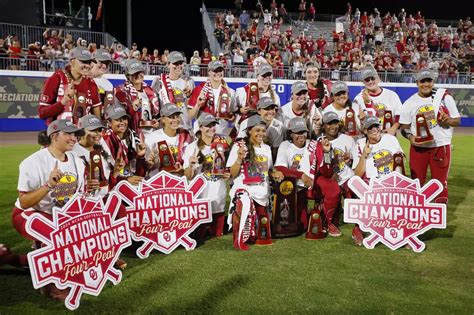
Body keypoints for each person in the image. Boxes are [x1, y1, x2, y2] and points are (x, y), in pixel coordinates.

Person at [12, 119, 86, 300]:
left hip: (57, 215)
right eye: (68, 134)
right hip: (28, 213)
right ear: (54, 136)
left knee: (80, 237)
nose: (73, 138)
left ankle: (7, 257)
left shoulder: (78, 162)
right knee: (55, 236)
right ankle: (51, 285)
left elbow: (78, 198)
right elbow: (24, 202)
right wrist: (48, 186)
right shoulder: (33, 162)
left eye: (74, 134)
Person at [399, 69, 460, 204]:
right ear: (417, 83)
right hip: (419, 147)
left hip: (440, 146)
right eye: (422, 81)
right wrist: (410, 137)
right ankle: (417, 214)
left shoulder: (444, 97)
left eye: (429, 81)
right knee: (416, 182)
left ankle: (439, 217)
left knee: (439, 182)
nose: (426, 84)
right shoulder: (409, 102)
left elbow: (456, 120)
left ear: (433, 82)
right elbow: (403, 127)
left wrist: (447, 119)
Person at [227, 115, 284, 250]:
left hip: (262, 192)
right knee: (244, 203)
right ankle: (238, 238)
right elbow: (232, 173)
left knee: (259, 234)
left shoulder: (267, 148)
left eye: (263, 131)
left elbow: (268, 170)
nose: (261, 134)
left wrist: (274, 173)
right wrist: (239, 159)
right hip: (245, 191)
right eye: (257, 130)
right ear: (249, 131)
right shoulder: (239, 146)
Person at [183, 114, 231, 241]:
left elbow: (228, 169)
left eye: (213, 125)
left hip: (218, 198)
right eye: (207, 126)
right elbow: (187, 175)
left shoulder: (223, 145)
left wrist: (227, 173)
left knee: (217, 235)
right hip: (201, 200)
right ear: (200, 127)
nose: (211, 128)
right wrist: (191, 165)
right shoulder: (192, 147)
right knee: (199, 236)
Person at [321, 111, 363, 245]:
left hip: (346, 177)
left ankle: (358, 227)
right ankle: (329, 222)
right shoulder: (318, 141)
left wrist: (350, 159)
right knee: (331, 189)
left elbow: (355, 163)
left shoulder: (348, 139)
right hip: (328, 179)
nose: (333, 126)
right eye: (329, 124)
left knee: (354, 189)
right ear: (323, 126)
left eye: (335, 123)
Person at [38, 47, 101, 125]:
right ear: (72, 62)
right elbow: (42, 113)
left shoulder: (91, 84)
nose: (87, 66)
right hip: (60, 133)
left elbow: (97, 118)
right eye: (83, 62)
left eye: (89, 62)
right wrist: (63, 101)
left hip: (82, 134)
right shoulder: (56, 79)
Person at [298, 124, 341, 237]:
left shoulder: (327, 150)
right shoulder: (304, 145)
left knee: (332, 187)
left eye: (326, 138)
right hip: (297, 180)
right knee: (302, 224)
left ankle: (327, 221)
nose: (324, 140)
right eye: (322, 138)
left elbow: (326, 172)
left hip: (314, 179)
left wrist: (326, 152)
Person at [274, 117, 311, 231]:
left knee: (303, 225)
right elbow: (280, 167)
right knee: (298, 225)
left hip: (310, 186)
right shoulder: (285, 145)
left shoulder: (312, 145)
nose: (301, 135)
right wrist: (301, 175)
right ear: (291, 134)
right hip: (292, 187)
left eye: (303, 132)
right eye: (297, 133)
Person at [101, 104, 147, 189]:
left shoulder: (132, 135)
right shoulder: (104, 140)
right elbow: (104, 175)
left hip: (131, 182)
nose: (122, 122)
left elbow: (140, 173)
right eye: (118, 120)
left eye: (124, 118)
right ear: (109, 122)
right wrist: (124, 180)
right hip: (113, 187)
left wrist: (141, 157)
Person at [188, 60, 237, 136]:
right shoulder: (199, 89)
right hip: (202, 134)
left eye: (220, 70)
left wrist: (231, 118)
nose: (218, 73)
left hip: (221, 132)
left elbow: (233, 116)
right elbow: (190, 116)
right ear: (209, 72)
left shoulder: (230, 92)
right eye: (215, 71)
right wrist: (198, 105)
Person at [145, 103, 192, 177]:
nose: (176, 120)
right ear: (163, 119)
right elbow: (146, 166)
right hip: (158, 180)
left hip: (179, 180)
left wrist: (183, 168)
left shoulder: (186, 136)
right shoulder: (152, 138)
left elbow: (188, 163)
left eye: (177, 116)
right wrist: (150, 163)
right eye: (171, 117)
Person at [114, 59, 159, 136]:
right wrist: (132, 108)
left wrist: (156, 122)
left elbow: (154, 115)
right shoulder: (120, 92)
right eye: (134, 73)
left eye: (140, 72)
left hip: (150, 134)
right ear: (127, 75)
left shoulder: (150, 91)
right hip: (131, 135)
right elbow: (117, 118)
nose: (138, 75)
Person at [152, 51, 195, 132]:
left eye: (181, 63)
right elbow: (153, 106)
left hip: (185, 129)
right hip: (165, 130)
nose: (179, 66)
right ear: (168, 64)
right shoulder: (159, 81)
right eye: (175, 63)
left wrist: (189, 96)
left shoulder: (189, 81)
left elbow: (191, 108)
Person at [353, 66, 402, 135]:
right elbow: (357, 123)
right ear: (363, 82)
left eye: (372, 78)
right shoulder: (358, 99)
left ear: (378, 78)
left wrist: (393, 129)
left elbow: (399, 115)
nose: (370, 82)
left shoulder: (391, 95)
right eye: (367, 80)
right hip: (369, 138)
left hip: (388, 137)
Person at [353, 116, 404, 180]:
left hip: (393, 181)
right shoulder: (360, 144)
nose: (374, 129)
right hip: (373, 184)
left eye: (376, 126)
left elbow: (402, 163)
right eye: (370, 127)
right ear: (365, 131)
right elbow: (357, 175)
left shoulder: (391, 139)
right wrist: (364, 156)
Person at [235, 64, 281, 132]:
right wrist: (239, 110)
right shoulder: (244, 91)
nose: (267, 77)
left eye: (269, 75)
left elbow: (276, 116)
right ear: (257, 76)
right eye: (264, 75)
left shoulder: (275, 96)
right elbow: (232, 110)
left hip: (265, 133)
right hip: (245, 131)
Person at [90, 49, 114, 114]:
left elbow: (108, 109)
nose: (104, 66)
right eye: (101, 62)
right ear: (92, 62)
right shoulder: (82, 78)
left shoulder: (109, 85)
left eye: (107, 63)